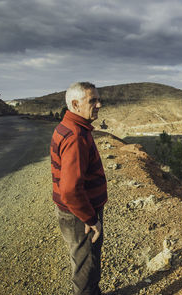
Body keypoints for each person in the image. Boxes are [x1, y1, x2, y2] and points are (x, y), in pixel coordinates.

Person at [50, 82, 107, 295]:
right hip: (80, 216)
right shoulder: (76, 136)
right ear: (75, 104)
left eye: (98, 99)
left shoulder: (68, 127)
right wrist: (91, 219)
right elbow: (71, 189)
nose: (99, 104)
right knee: (86, 267)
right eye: (93, 101)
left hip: (75, 212)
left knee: (84, 261)